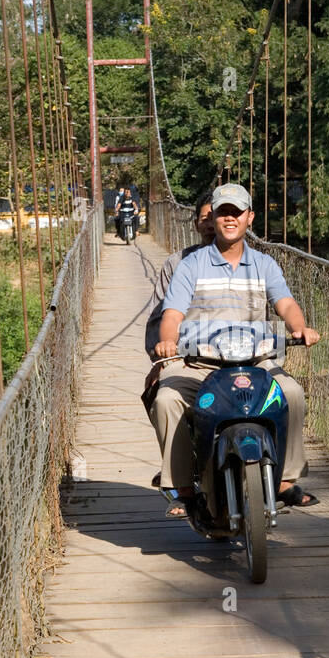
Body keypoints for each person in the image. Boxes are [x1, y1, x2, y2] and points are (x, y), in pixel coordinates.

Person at [150, 182, 320, 509]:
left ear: (250, 218)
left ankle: (285, 479)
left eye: (237, 212)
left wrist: (300, 328)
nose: (230, 219)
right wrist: (168, 339)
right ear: (212, 218)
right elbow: (172, 313)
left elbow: (285, 303)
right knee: (167, 400)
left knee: (292, 394)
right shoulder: (190, 265)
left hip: (255, 360)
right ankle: (184, 489)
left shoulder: (265, 265)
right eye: (223, 212)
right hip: (198, 363)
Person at [144, 193, 215, 517]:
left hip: (240, 356)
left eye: (222, 214)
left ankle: (277, 478)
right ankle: (181, 477)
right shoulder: (176, 263)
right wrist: (162, 352)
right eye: (206, 217)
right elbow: (160, 317)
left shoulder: (252, 262)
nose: (213, 222)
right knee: (160, 396)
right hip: (188, 356)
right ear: (197, 223)